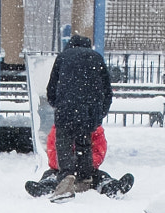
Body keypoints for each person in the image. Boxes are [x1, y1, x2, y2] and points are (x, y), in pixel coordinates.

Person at [29, 35, 129, 199]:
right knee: (84, 141)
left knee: (64, 142)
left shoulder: (63, 57)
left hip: (67, 108)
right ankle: (85, 178)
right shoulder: (96, 58)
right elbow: (107, 91)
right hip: (89, 110)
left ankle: (66, 179)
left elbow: (51, 89)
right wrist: (98, 114)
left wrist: (58, 104)